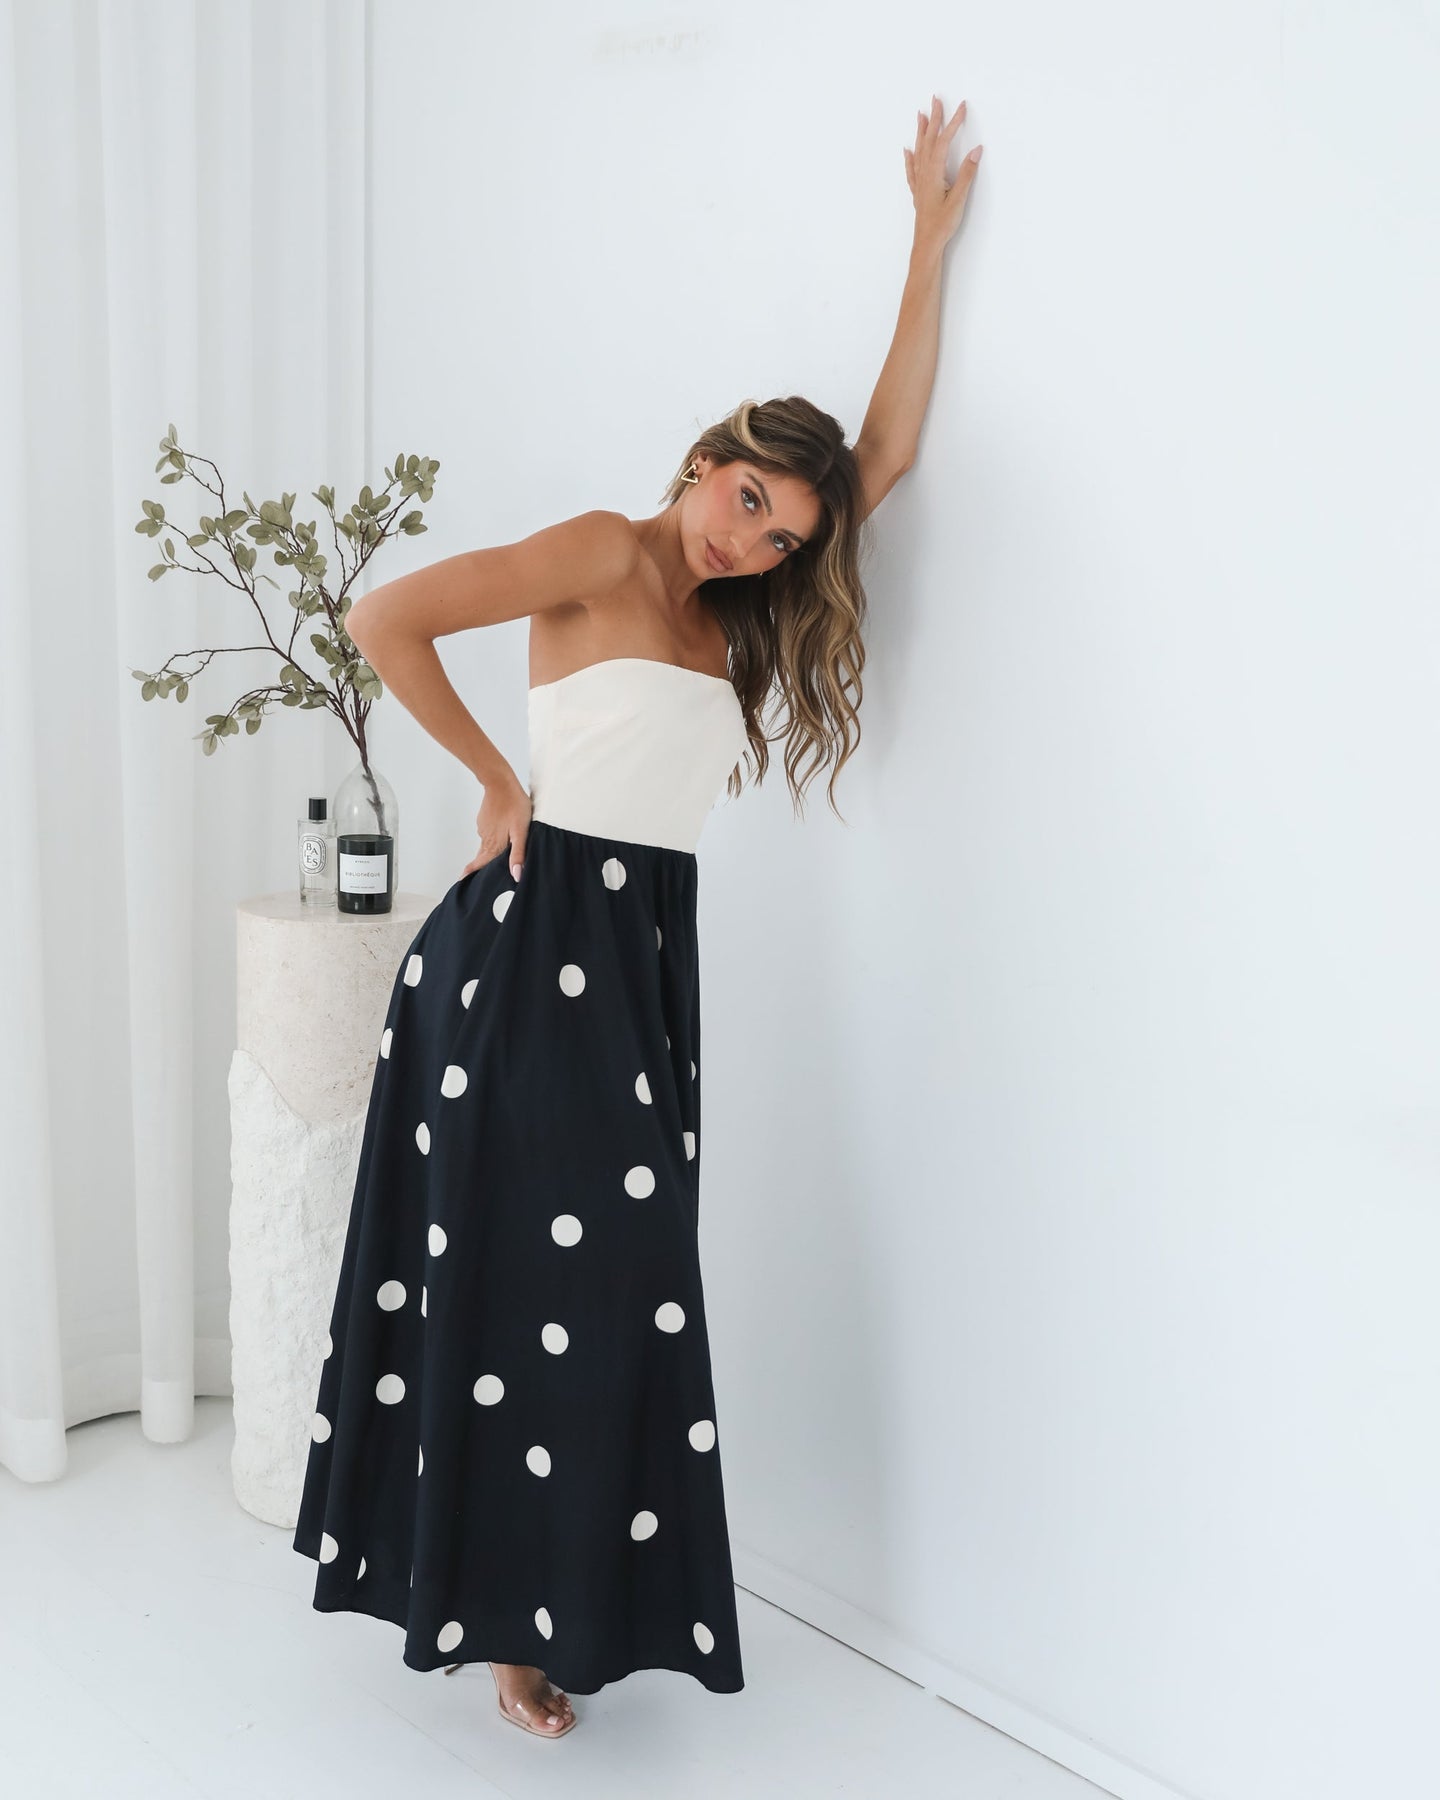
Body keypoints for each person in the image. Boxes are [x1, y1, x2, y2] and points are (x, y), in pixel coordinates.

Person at [291, 96, 981, 1739]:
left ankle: (548, 1609)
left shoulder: (731, 617)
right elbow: (383, 616)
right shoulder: (604, 549)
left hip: (641, 961)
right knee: (526, 1285)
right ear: (708, 462)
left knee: (614, 1293)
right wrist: (494, 778)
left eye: (784, 534)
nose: (758, 542)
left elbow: (883, 458)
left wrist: (927, 249)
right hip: (526, 952)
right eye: (751, 504)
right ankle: (508, 1632)